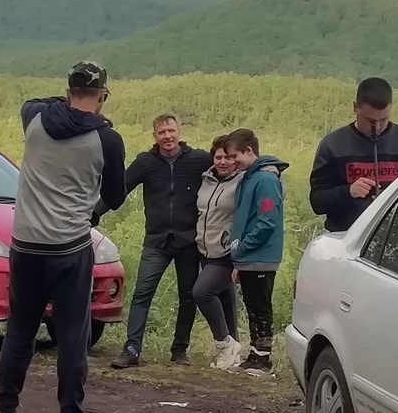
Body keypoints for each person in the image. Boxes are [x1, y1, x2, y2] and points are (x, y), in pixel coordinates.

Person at [0, 61, 128, 413]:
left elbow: (36, 102)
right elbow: (115, 197)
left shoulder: (35, 117)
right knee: (71, 334)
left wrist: (66, 104)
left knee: (20, 329)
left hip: (25, 244)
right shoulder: (108, 140)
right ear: (102, 94)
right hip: (69, 246)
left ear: (67, 90)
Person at [110, 114, 211, 370]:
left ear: (179, 131)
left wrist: (265, 167)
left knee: (189, 297)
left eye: (171, 130)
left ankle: (179, 350)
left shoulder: (198, 159)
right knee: (142, 294)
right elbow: (119, 188)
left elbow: (228, 164)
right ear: (154, 136)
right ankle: (132, 349)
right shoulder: (146, 162)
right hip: (157, 240)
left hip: (188, 240)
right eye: (162, 132)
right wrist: (94, 213)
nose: (167, 136)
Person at [309, 77, 398, 233]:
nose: (376, 127)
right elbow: (317, 202)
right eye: (369, 120)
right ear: (355, 108)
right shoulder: (332, 145)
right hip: (346, 237)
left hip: (397, 238)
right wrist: (348, 191)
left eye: (383, 119)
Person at [225, 129, 287, 377]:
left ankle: (264, 360)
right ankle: (255, 356)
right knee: (252, 306)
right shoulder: (248, 178)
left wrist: (242, 246)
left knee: (260, 307)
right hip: (249, 258)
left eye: (235, 156)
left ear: (249, 151)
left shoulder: (266, 181)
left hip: (261, 256)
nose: (231, 162)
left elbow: (267, 221)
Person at [191, 134, 245, 370]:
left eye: (229, 157)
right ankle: (234, 353)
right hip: (205, 248)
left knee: (202, 292)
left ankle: (225, 344)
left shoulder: (243, 182)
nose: (223, 162)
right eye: (219, 157)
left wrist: (239, 255)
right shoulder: (206, 180)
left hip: (227, 252)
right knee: (225, 299)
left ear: (236, 159)